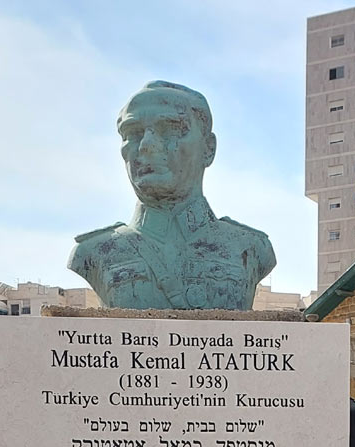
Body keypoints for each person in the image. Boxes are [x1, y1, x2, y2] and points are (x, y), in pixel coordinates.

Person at [68, 81, 276, 310]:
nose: (146, 145)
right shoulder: (93, 253)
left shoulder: (250, 248)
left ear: (209, 149)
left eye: (171, 128)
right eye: (132, 133)